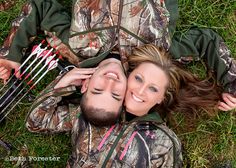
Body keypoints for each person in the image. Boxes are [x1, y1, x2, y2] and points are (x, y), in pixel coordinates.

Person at [0, 0, 235, 112]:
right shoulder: (153, 61)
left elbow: (40, 8)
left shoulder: (73, 49)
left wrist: (11, 52)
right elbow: (207, 40)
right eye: (118, 93)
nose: (110, 82)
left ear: (84, 84)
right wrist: (231, 82)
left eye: (98, 89)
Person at [26, 44, 185, 167]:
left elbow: (36, 120)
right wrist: (62, 85)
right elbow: (36, 122)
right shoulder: (89, 114)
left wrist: (63, 84)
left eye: (153, 88)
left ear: (161, 98)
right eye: (138, 79)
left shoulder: (165, 142)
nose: (141, 91)